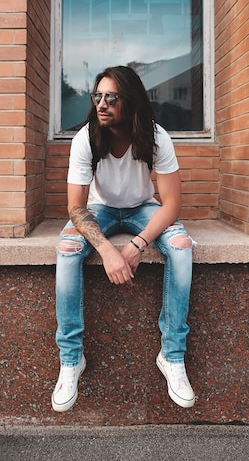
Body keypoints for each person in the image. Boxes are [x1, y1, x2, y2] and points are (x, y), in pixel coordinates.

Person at [52, 66, 195, 412]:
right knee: (68, 247)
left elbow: (172, 204)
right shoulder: (86, 138)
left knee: (181, 246)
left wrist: (136, 245)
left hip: (142, 209)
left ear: (129, 101)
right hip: (100, 210)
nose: (102, 103)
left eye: (111, 97)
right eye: (97, 96)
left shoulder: (156, 137)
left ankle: (172, 355)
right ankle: (71, 359)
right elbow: (75, 207)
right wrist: (106, 250)